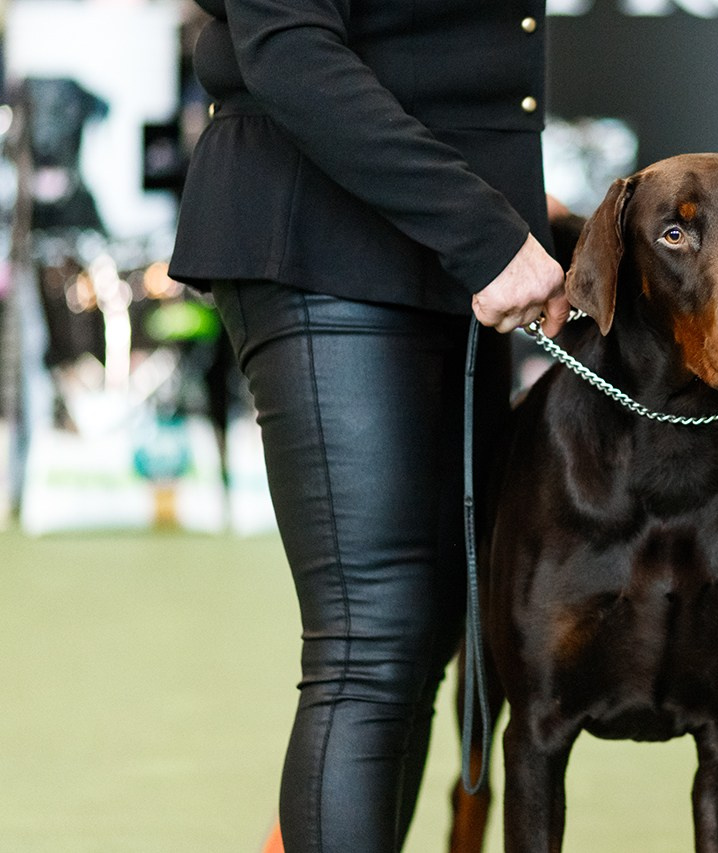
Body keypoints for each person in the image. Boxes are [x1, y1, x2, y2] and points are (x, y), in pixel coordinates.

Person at [167, 1, 570, 850]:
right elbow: (289, 52)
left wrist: (506, 202)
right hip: (327, 229)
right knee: (373, 647)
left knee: (417, 642)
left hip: (443, 241)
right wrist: (487, 229)